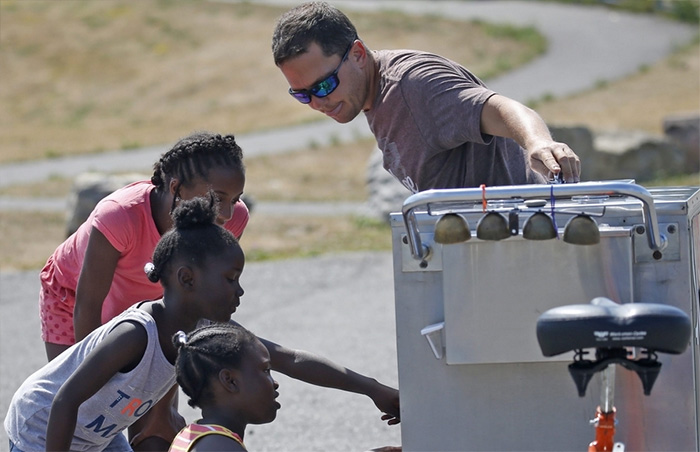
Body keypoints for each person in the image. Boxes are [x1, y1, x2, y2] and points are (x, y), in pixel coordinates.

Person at [6, 195, 399, 451]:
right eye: (231, 279)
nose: (240, 291)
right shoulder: (134, 334)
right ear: (187, 279)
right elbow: (65, 400)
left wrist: (372, 389)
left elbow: (288, 358)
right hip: (42, 430)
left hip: (95, 435)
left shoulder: (202, 334)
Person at [36, 131, 249, 449]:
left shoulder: (232, 220)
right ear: (175, 187)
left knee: (153, 428)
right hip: (72, 299)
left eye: (235, 199)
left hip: (150, 311)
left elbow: (194, 310)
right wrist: (105, 388)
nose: (228, 214)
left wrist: (161, 405)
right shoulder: (120, 214)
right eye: (218, 198)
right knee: (82, 413)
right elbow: (89, 304)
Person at [271, 1, 581, 193]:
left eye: (323, 86)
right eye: (302, 94)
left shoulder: (416, 84)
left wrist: (538, 142)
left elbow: (499, 107)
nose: (316, 102)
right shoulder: (373, 94)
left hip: (517, 242)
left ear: (358, 54)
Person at [168, 323, 280, 452]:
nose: (275, 383)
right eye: (265, 370)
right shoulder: (220, 446)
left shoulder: (193, 435)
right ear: (230, 381)